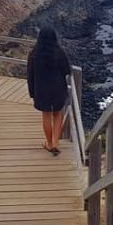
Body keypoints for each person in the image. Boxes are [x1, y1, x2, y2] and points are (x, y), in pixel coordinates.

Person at [26, 27, 72, 156]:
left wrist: (32, 93)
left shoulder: (34, 54)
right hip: (58, 88)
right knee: (57, 114)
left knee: (46, 115)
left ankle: (49, 143)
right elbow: (67, 70)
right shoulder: (59, 53)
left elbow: (30, 76)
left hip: (41, 89)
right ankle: (56, 143)